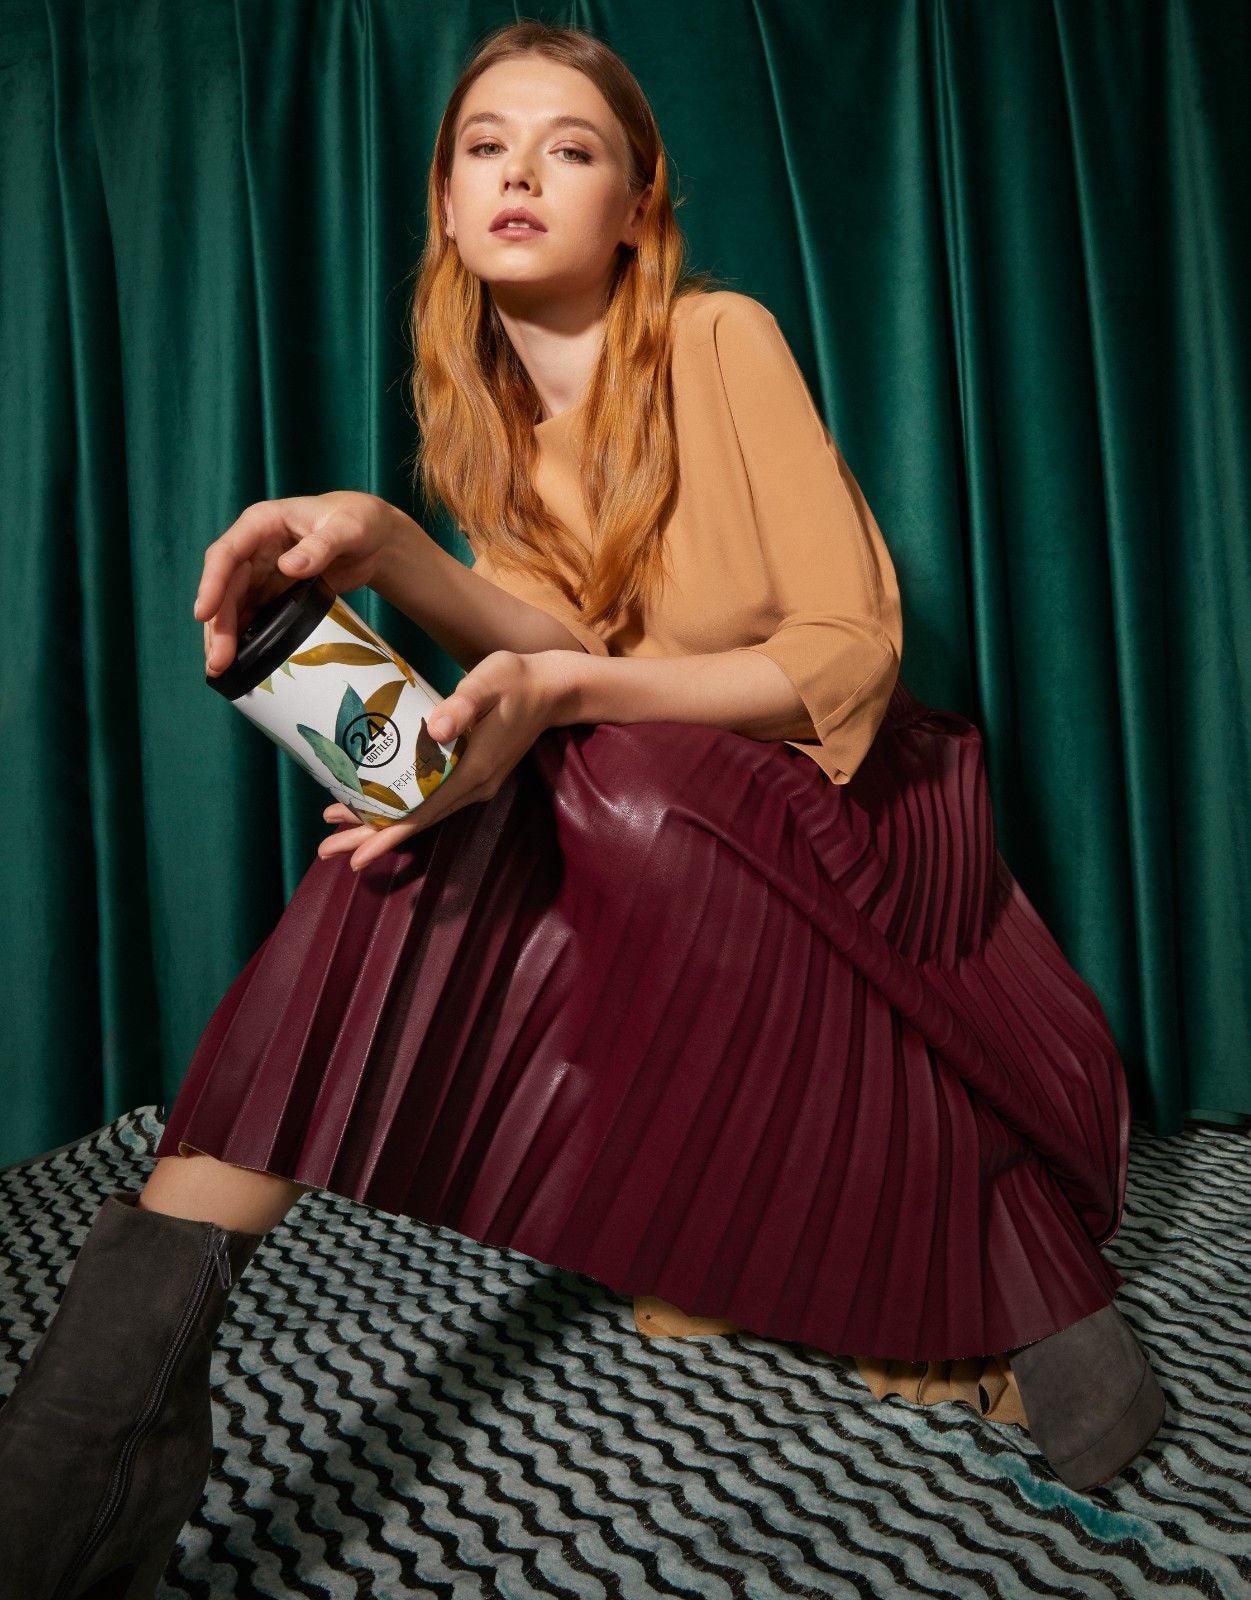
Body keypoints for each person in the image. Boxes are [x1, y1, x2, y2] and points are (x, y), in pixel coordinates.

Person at [0, 19, 1165, 1599]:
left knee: (601, 777)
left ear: (636, 203)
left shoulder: (720, 338)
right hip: (663, 821)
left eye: (572, 147)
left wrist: (556, 699)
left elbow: (847, 654)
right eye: (486, 146)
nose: (522, 174)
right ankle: (96, 1428)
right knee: (434, 830)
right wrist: (390, 549)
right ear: (445, 201)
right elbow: (551, 643)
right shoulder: (486, 430)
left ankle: (979, 1239)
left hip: (867, 815)